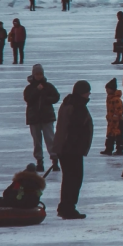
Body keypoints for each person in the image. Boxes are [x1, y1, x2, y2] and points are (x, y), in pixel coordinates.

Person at [50, 80, 93, 219]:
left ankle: (65, 206)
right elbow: (75, 129)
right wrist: (75, 147)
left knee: (69, 178)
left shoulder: (68, 103)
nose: (89, 94)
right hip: (71, 149)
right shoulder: (77, 106)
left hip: (65, 147)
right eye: (87, 91)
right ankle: (68, 208)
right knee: (74, 179)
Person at [23, 63, 60, 171]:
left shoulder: (48, 86)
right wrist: (37, 91)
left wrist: (46, 99)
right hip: (34, 118)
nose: (39, 76)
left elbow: (56, 97)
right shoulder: (30, 88)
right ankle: (39, 161)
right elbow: (28, 99)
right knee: (37, 141)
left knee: (50, 139)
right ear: (33, 75)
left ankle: (55, 160)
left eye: (41, 74)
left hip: (47, 117)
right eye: (37, 74)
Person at [100, 77, 123, 156]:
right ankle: (108, 149)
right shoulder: (109, 98)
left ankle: (120, 149)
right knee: (110, 135)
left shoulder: (116, 99)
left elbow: (119, 110)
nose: (106, 90)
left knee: (118, 135)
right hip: (111, 121)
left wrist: (115, 116)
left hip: (118, 121)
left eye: (107, 89)